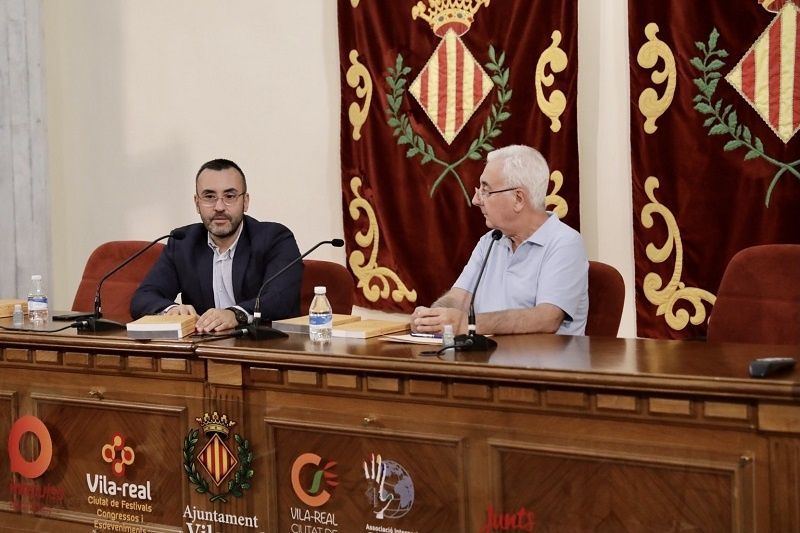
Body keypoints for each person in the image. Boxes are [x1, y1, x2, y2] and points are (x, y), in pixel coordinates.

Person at [411, 145, 588, 336]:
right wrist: (432, 317)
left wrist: (467, 324)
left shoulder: (564, 243)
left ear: (518, 199)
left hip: (542, 355)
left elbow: (547, 318)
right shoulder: (490, 241)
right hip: (488, 354)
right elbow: (459, 297)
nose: (476, 200)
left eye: (486, 190)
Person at [130, 158, 302, 332]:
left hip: (260, 346)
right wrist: (171, 310)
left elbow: (281, 298)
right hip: (205, 346)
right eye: (209, 197)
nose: (219, 207)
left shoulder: (274, 239)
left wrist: (236, 314)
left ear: (245, 201)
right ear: (197, 203)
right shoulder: (183, 242)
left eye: (230, 196)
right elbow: (143, 297)